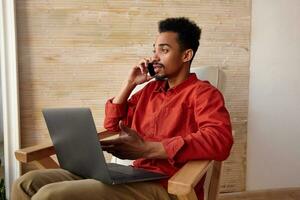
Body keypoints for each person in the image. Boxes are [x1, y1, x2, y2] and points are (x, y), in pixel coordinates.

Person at [11, 17, 233, 200]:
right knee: (26, 183)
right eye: (154, 50)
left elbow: (220, 140)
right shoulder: (149, 91)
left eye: (164, 50)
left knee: (50, 195)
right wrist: (129, 84)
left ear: (186, 55)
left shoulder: (203, 93)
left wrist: (148, 149)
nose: (155, 57)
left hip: (165, 186)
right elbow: (112, 125)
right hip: (134, 176)